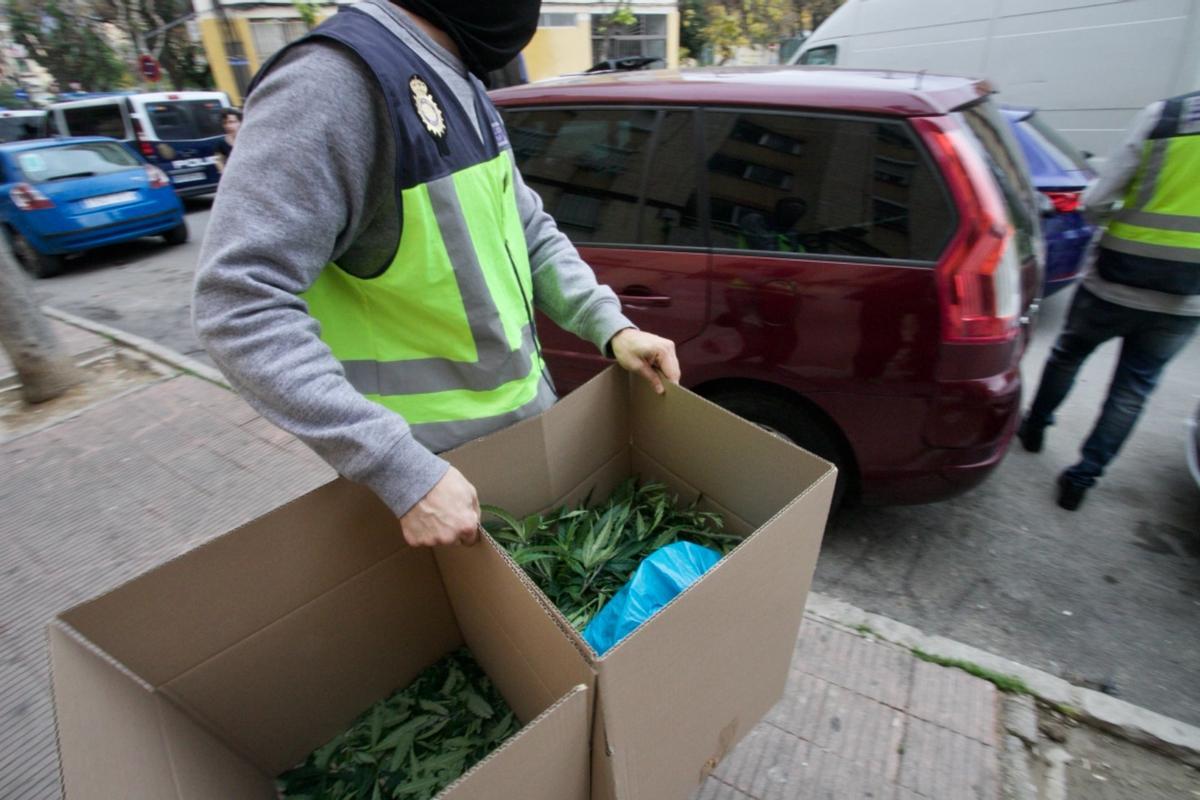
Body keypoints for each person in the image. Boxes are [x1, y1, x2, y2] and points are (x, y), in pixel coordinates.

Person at [193, 0, 679, 547]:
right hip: (436, 491)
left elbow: (526, 228)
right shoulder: (333, 81)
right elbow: (237, 304)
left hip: (518, 458)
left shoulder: (456, 75)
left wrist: (611, 326)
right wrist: (401, 471)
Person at [1017, 91, 1200, 510]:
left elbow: (1097, 201)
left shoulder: (1167, 118)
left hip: (1118, 279)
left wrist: (1113, 221)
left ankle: (1035, 428)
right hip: (1186, 299)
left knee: (1067, 355)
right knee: (1133, 388)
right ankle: (1082, 478)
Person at [214, 107, 241, 172]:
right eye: (225, 123)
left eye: (231, 122)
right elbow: (218, 162)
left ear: (240, 122)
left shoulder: (248, 139)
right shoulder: (221, 143)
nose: (228, 126)